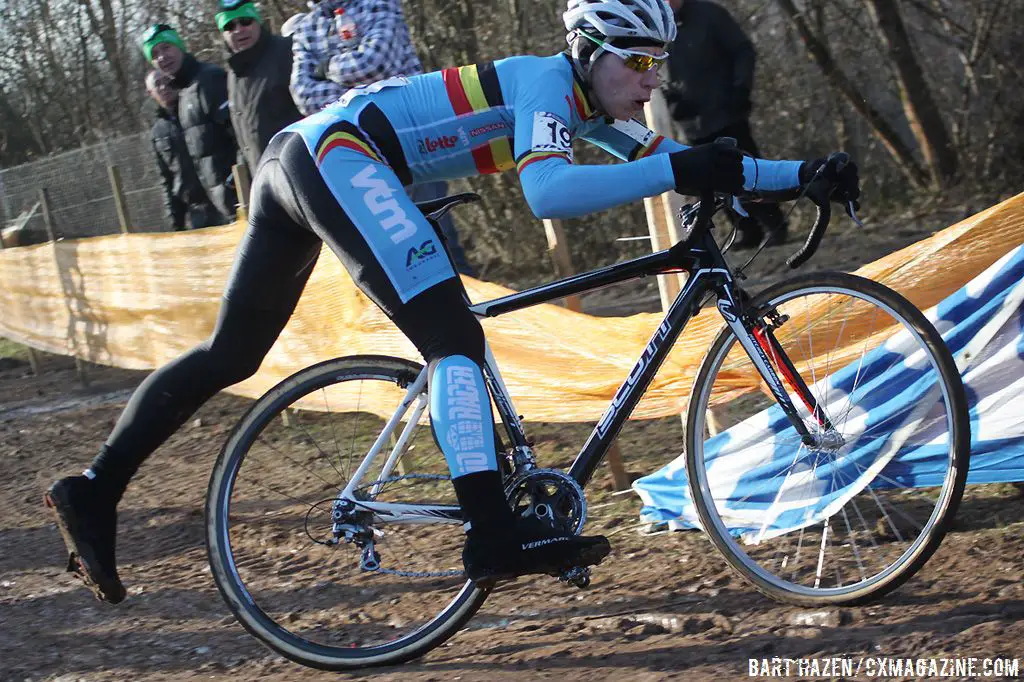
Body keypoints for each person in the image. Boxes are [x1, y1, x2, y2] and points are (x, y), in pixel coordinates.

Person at [46, 0, 859, 604]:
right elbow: (549, 191)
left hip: (303, 160)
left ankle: (94, 487)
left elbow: (684, 158)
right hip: (334, 154)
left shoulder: (580, 105)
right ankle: (491, 533)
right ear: (589, 51)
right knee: (453, 339)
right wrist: (686, 171)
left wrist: (800, 174)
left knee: (234, 355)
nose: (651, 84)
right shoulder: (547, 81)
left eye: (659, 66)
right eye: (638, 64)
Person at [288, 0, 476, 276]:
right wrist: (363, 95)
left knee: (436, 230)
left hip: (413, 139)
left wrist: (326, 68)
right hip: (354, 150)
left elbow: (373, 63)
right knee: (391, 246)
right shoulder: (306, 26)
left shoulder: (378, 4)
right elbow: (303, 94)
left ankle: (471, 305)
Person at [662, 0, 787, 248]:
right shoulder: (656, 23)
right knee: (713, 181)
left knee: (748, 170)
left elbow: (743, 50)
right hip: (692, 123)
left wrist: (741, 88)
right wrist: (672, 100)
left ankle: (775, 225)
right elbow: (656, 69)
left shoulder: (710, 14)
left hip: (726, 113)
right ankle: (747, 230)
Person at [141, 24, 238, 224]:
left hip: (240, 202)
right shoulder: (184, 93)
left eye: (166, 47)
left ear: (180, 46)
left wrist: (235, 185)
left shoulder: (209, 80)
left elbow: (239, 135)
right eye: (155, 53)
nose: (162, 57)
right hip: (211, 210)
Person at [217, 0, 303, 175]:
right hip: (267, 181)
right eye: (229, 26)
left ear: (258, 21)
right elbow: (246, 137)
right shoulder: (233, 74)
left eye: (245, 21)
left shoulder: (287, 51)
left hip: (302, 169)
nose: (239, 30)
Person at [145, 71, 222, 230]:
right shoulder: (158, 132)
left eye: (166, 81)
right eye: (157, 84)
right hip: (196, 211)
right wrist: (176, 224)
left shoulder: (196, 108)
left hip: (222, 198)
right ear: (150, 93)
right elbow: (167, 179)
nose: (164, 87)